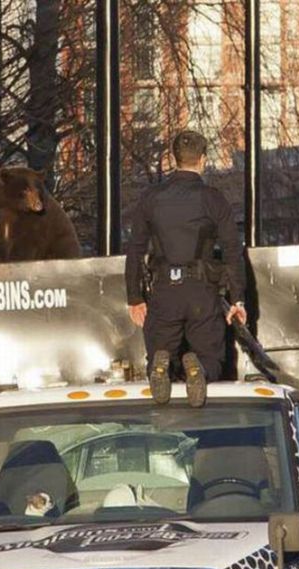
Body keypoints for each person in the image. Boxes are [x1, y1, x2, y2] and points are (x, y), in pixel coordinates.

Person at [125, 130, 247, 406]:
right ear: (202, 160)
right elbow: (231, 250)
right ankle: (200, 369)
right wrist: (238, 298)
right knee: (212, 358)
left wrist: (134, 297)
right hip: (202, 292)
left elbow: (135, 249)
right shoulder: (213, 199)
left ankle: (161, 367)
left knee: (158, 349)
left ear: (173, 158)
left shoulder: (151, 198)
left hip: (164, 291)